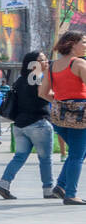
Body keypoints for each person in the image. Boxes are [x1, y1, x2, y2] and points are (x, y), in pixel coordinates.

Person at [0, 51, 53, 200]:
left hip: (20, 125)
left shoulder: (20, 80)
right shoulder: (38, 78)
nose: (46, 61)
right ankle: (48, 189)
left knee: (19, 157)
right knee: (45, 158)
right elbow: (44, 96)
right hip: (38, 123)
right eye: (42, 59)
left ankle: (3, 184)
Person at [38, 31, 86, 205]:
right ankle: (71, 194)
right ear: (73, 44)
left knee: (77, 152)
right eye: (84, 42)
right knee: (77, 155)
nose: (85, 46)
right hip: (81, 116)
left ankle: (61, 186)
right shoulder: (79, 63)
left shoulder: (52, 66)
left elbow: (42, 93)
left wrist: (61, 102)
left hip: (60, 116)